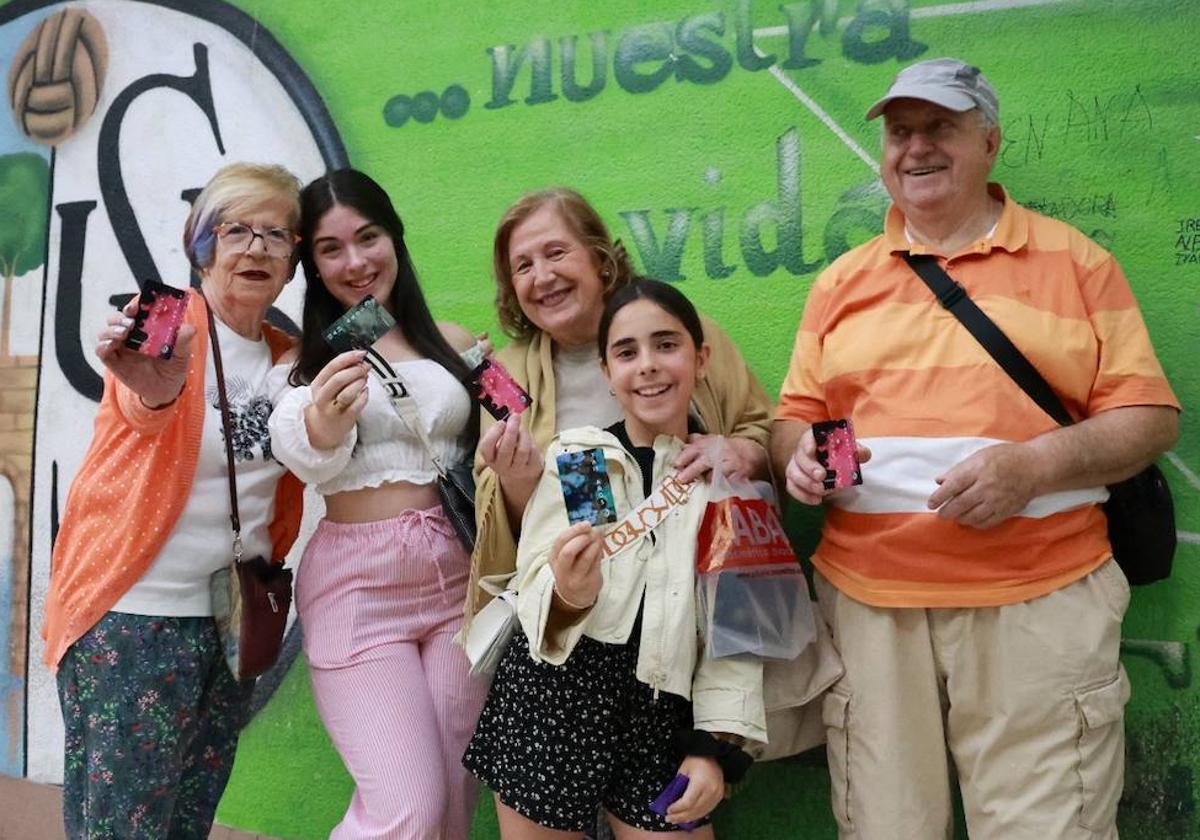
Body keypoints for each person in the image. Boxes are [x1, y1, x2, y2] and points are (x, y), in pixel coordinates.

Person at [770, 58, 1181, 840]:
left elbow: (1150, 417)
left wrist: (1033, 467)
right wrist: (800, 457)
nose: (915, 147)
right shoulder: (840, 285)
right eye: (899, 132)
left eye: (941, 127)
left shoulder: (1077, 264)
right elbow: (799, 415)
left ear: (989, 142)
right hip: (870, 612)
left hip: (1039, 602)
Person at [44, 162, 306, 839]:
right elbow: (146, 399)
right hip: (134, 619)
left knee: (187, 821)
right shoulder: (169, 324)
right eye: (237, 230)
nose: (256, 248)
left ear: (294, 258)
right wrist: (154, 387)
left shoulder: (288, 357)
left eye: (276, 235)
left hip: (227, 624)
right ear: (202, 244)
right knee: (121, 828)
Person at [464, 279, 764, 838]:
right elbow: (534, 584)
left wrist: (713, 749)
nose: (647, 365)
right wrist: (569, 595)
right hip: (552, 701)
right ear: (607, 372)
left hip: (663, 715)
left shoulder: (726, 489)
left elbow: (737, 636)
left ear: (700, 359)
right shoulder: (585, 460)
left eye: (666, 345)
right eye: (626, 352)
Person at [268, 168, 488, 840]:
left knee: (451, 804)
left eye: (368, 237)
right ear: (312, 263)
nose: (356, 261)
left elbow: (521, 420)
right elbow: (299, 440)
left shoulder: (456, 344)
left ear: (394, 237)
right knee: (408, 809)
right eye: (331, 249)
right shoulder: (304, 369)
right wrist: (325, 423)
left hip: (462, 583)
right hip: (358, 591)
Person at [466, 188, 773, 630]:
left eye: (556, 252)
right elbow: (502, 531)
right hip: (585, 618)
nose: (543, 276)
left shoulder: (680, 329)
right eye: (523, 266)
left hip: (702, 604)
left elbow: (760, 431)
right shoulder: (507, 373)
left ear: (600, 259)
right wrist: (518, 480)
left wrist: (743, 453)